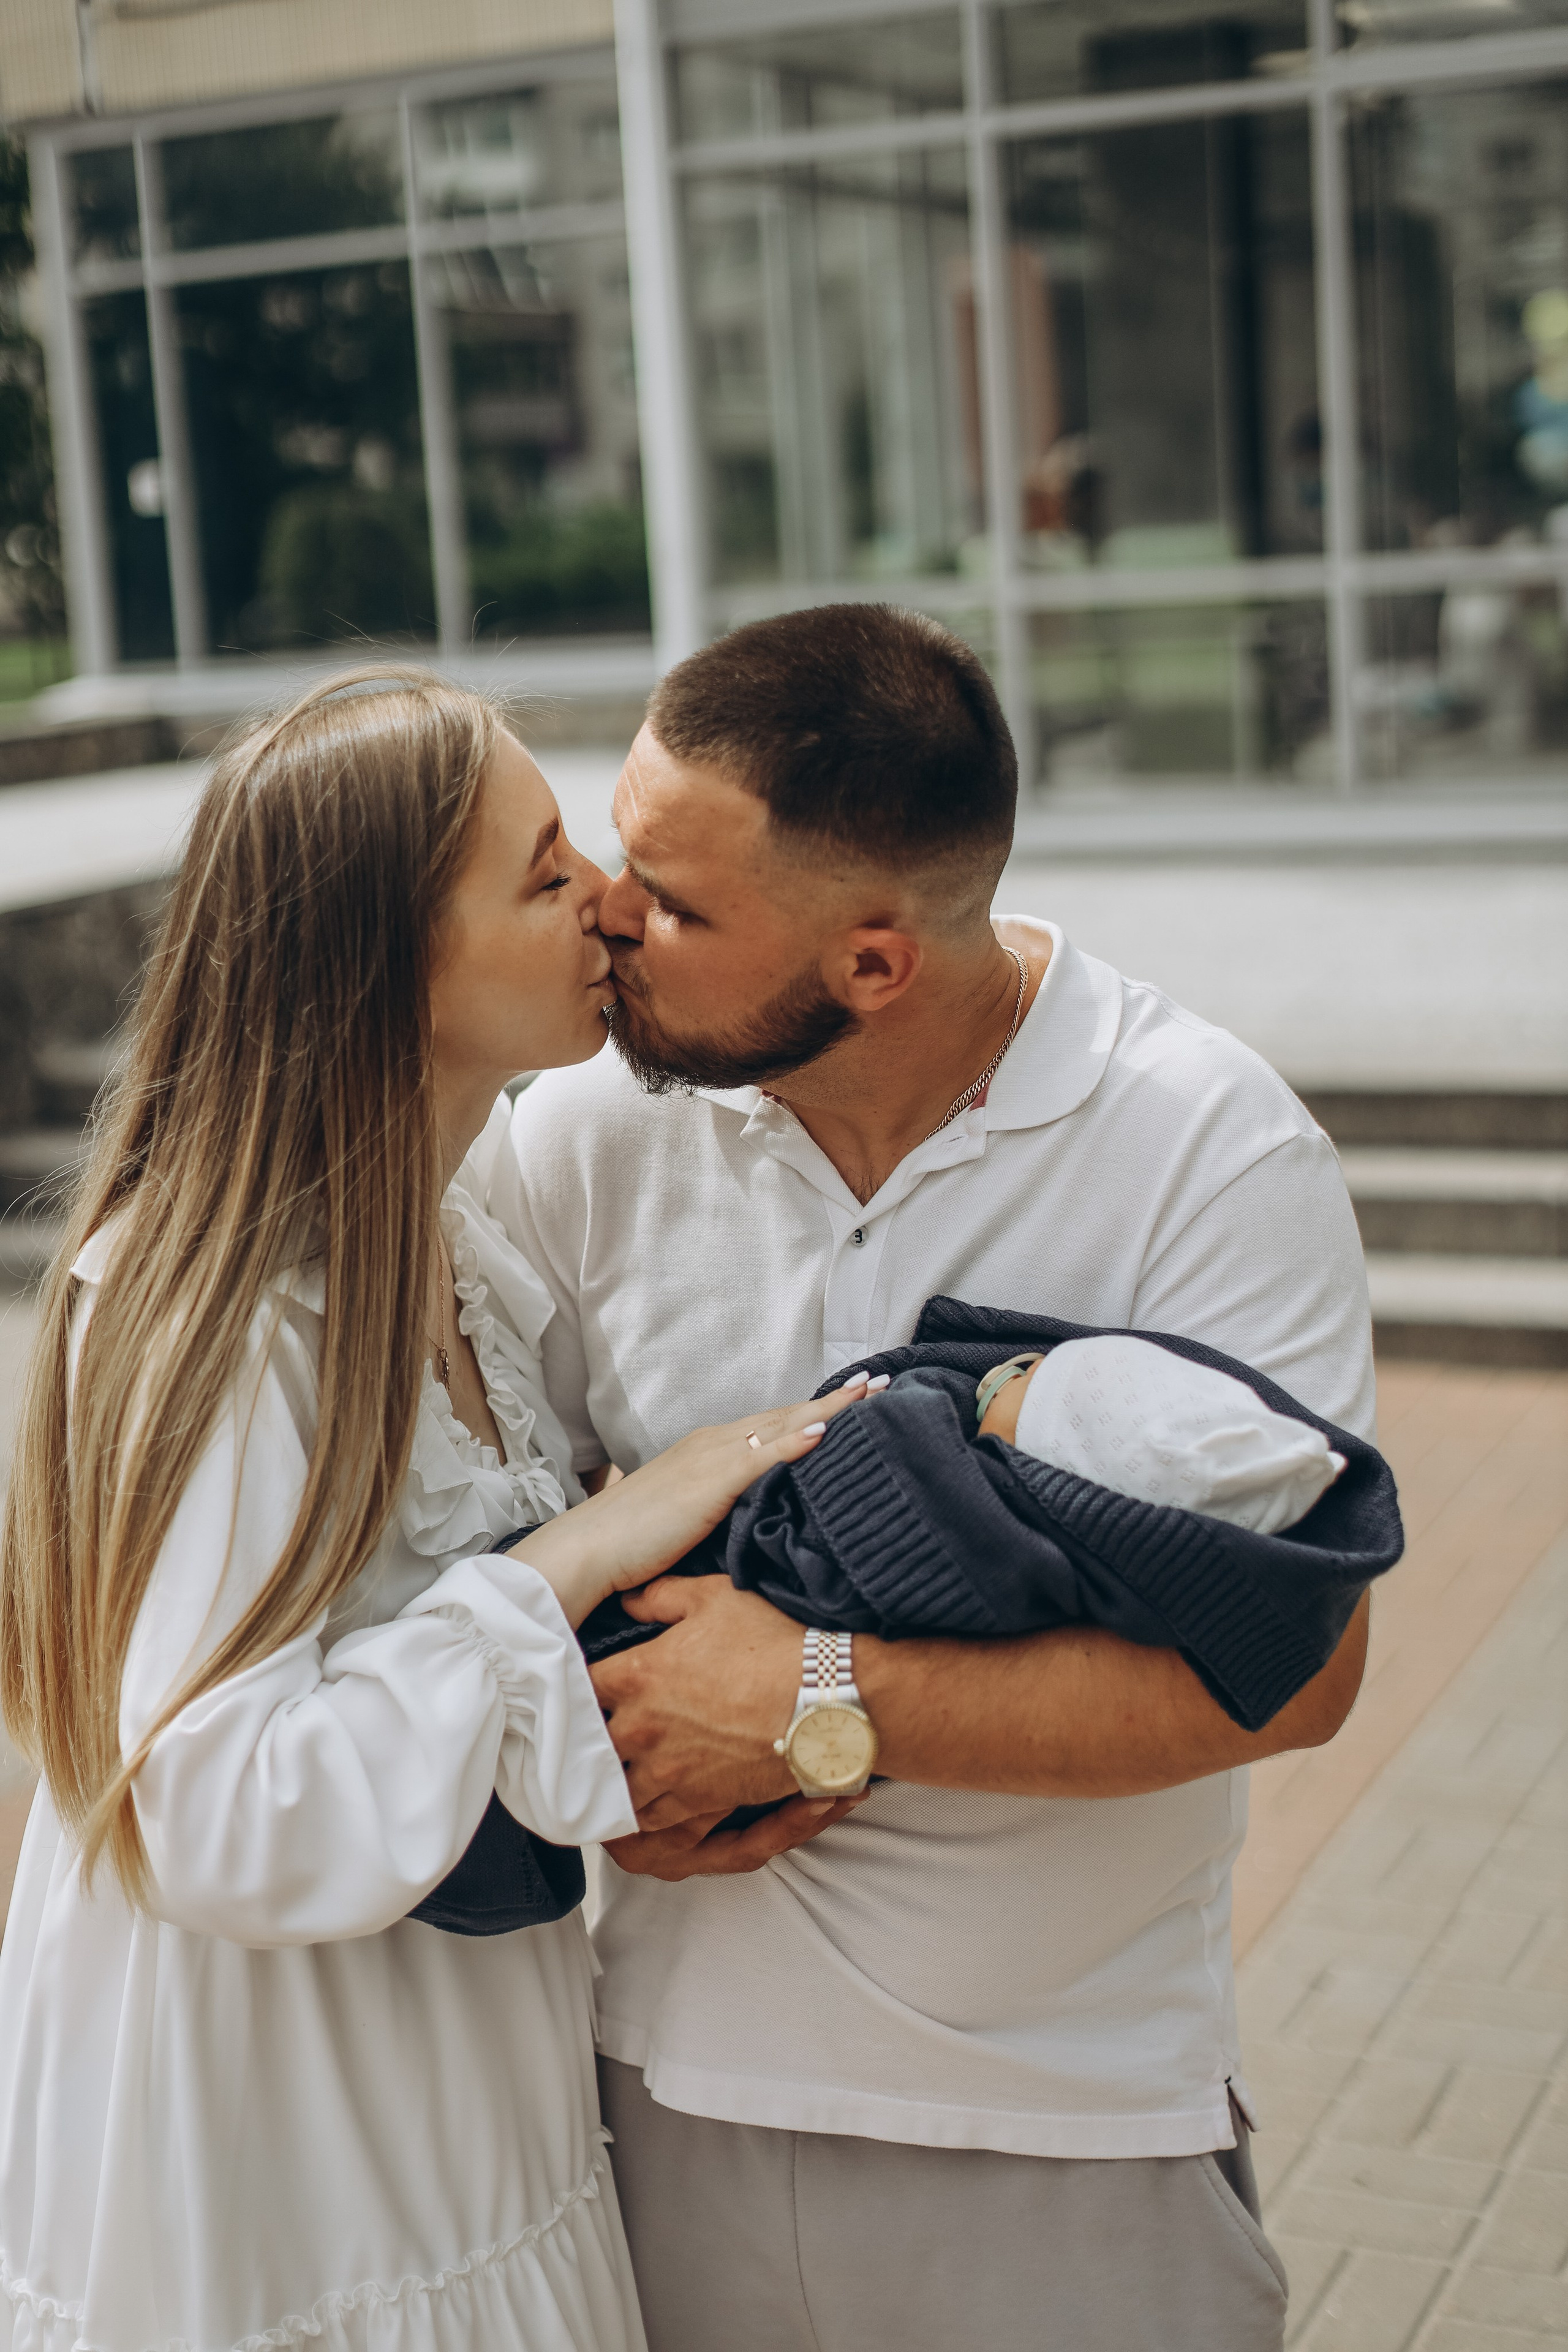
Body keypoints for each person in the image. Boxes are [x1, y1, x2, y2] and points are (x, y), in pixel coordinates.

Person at [491, 603, 1379, 2352]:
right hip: (666, 2101)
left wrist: (819, 1698)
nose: (609, 914)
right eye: (620, 854)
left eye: (675, 904)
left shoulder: (1211, 1148)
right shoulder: (585, 1134)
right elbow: (506, 1542)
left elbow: (1302, 1674)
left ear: (875, 965)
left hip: (1070, 2127)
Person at [0, 668, 870, 2352]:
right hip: (287, 2160)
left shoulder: (466, 1253)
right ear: (382, 962)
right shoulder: (211, 1311)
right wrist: (579, 1556)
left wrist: (609, 1768)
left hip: (475, 2102)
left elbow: (435, 1693)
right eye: (547, 875)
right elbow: (220, 1807)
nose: (611, 903)